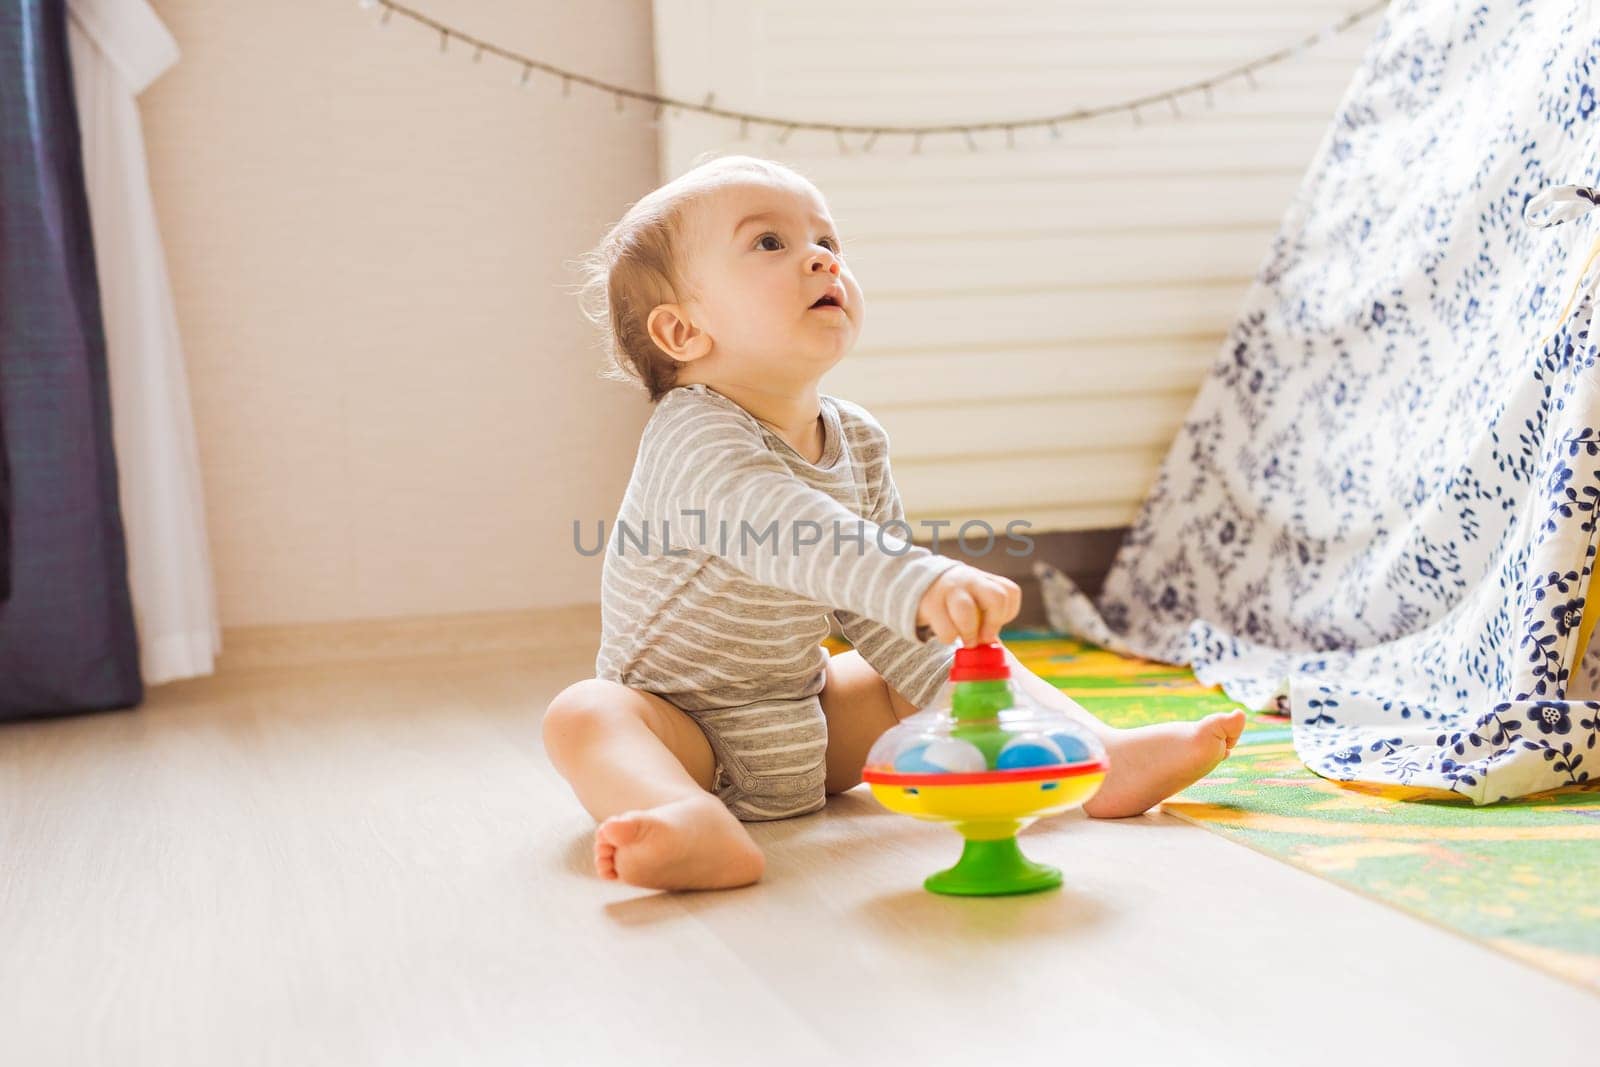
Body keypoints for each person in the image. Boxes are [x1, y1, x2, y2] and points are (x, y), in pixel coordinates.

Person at [543, 155, 1245, 891]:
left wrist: (930, 610)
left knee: (938, 661)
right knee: (586, 713)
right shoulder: (691, 434)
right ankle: (685, 817)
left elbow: (875, 611)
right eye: (769, 243)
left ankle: (1095, 755)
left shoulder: (857, 439)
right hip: (683, 728)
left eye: (828, 241)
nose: (821, 257)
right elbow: (791, 528)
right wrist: (922, 579)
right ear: (683, 332)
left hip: (808, 718)